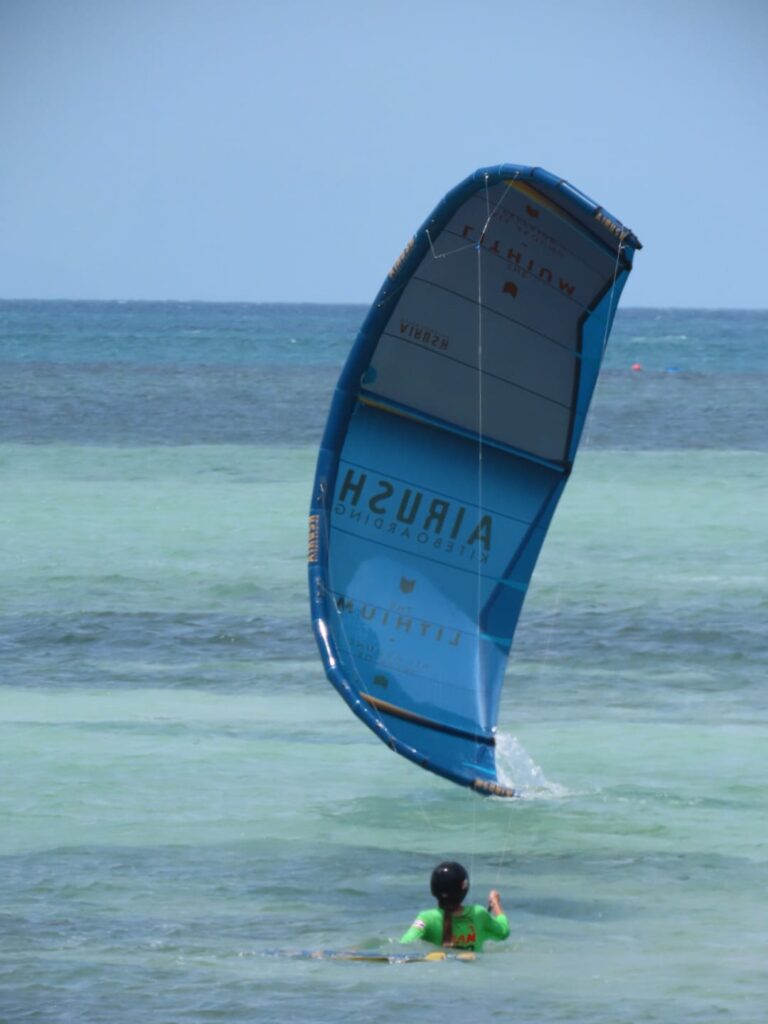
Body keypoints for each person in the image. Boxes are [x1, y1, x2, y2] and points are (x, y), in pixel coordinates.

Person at [399, 861, 510, 952]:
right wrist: (495, 903)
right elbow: (504, 932)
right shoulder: (478, 914)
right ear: (464, 888)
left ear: (433, 890)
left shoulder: (426, 918)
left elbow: (405, 943)